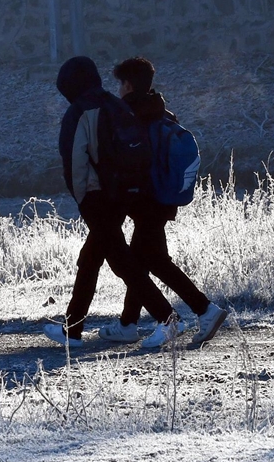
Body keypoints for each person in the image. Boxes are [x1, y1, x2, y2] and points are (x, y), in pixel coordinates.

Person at [44, 56, 184, 350]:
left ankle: (169, 318)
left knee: (122, 263)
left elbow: (75, 164)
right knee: (91, 259)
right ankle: (73, 329)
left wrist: (83, 201)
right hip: (123, 194)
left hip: (97, 198)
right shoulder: (113, 104)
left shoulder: (79, 112)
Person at [97, 56, 228, 346]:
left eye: (120, 84)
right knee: (141, 261)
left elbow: (128, 163)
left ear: (128, 85)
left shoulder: (132, 115)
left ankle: (204, 310)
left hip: (146, 201)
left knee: (152, 261)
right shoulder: (161, 111)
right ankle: (128, 324)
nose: (118, 90)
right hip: (163, 198)